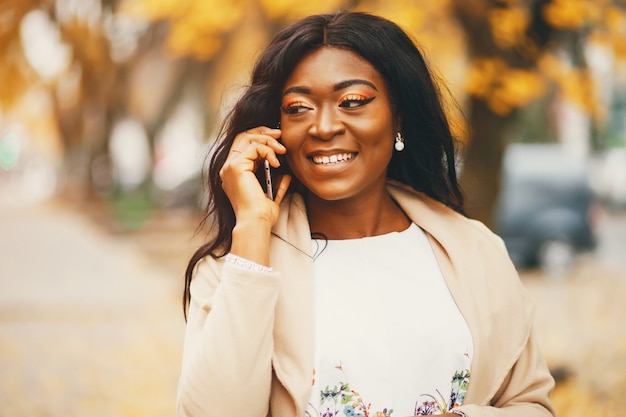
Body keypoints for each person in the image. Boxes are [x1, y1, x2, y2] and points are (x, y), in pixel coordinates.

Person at [177, 11, 556, 417]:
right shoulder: (236, 269)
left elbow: (531, 405)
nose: (323, 126)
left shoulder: (475, 251)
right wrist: (252, 227)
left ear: (399, 117)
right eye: (298, 108)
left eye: (352, 102)